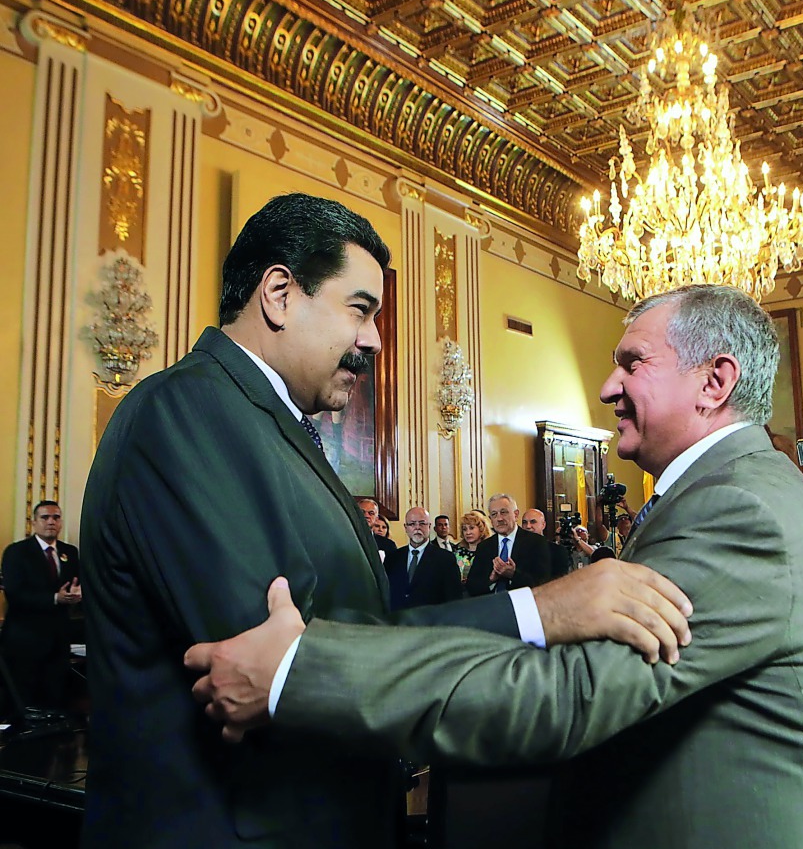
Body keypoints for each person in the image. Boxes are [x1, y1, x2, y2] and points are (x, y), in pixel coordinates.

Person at [79, 193, 691, 849]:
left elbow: (341, 638)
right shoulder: (188, 412)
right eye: (360, 311)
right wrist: (544, 613)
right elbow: (273, 663)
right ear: (280, 293)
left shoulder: (269, 424)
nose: (373, 340)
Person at [188, 283, 803, 849]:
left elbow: (565, 696)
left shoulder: (742, 510)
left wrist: (298, 671)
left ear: (715, 381)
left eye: (632, 363)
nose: (608, 387)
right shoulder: (724, 496)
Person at [0, 500, 82, 708]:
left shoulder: (69, 553)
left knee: (56, 699)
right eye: (45, 517)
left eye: (56, 517)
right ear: (34, 522)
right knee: (25, 701)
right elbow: (15, 594)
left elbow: (76, 584)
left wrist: (78, 594)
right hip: (26, 640)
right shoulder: (17, 552)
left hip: (59, 639)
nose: (51, 522)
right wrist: (55, 598)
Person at [465, 494, 552, 595]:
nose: (499, 519)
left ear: (516, 514)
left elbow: (543, 583)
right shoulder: (484, 546)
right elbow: (471, 586)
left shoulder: (536, 542)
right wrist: (491, 580)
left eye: (504, 512)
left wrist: (513, 574)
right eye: (494, 514)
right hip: (492, 606)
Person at [385, 507, 462, 609]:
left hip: (430, 621)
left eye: (422, 523)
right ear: (406, 528)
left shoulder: (445, 558)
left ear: (429, 526)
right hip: (397, 620)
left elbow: (454, 598)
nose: (417, 528)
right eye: (412, 524)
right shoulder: (393, 557)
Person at [454, 510, 489, 584]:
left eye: (471, 528)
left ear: (481, 529)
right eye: (464, 529)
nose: (468, 532)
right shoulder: (456, 551)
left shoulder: (489, 551)